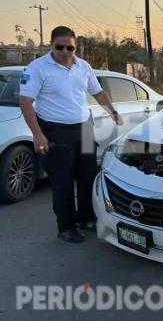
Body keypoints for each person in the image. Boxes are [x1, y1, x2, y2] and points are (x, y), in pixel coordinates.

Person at [18, 26, 123, 243]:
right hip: (55, 131)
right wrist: (37, 135)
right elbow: (25, 101)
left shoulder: (83, 66)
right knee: (62, 181)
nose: (65, 51)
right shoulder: (37, 68)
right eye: (60, 47)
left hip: (84, 129)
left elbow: (98, 92)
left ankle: (86, 218)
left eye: (70, 47)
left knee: (88, 176)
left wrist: (112, 111)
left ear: (75, 46)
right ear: (51, 45)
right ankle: (66, 226)